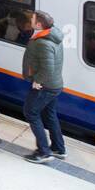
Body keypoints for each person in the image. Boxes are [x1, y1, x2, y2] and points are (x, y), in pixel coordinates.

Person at [21, 10, 66, 163]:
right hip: (53, 84)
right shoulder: (51, 34)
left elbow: (47, 67)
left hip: (45, 86)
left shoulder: (43, 42)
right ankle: (58, 149)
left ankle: (44, 152)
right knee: (49, 115)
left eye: (32, 19)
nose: (30, 20)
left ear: (39, 24)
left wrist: (38, 81)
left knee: (30, 112)